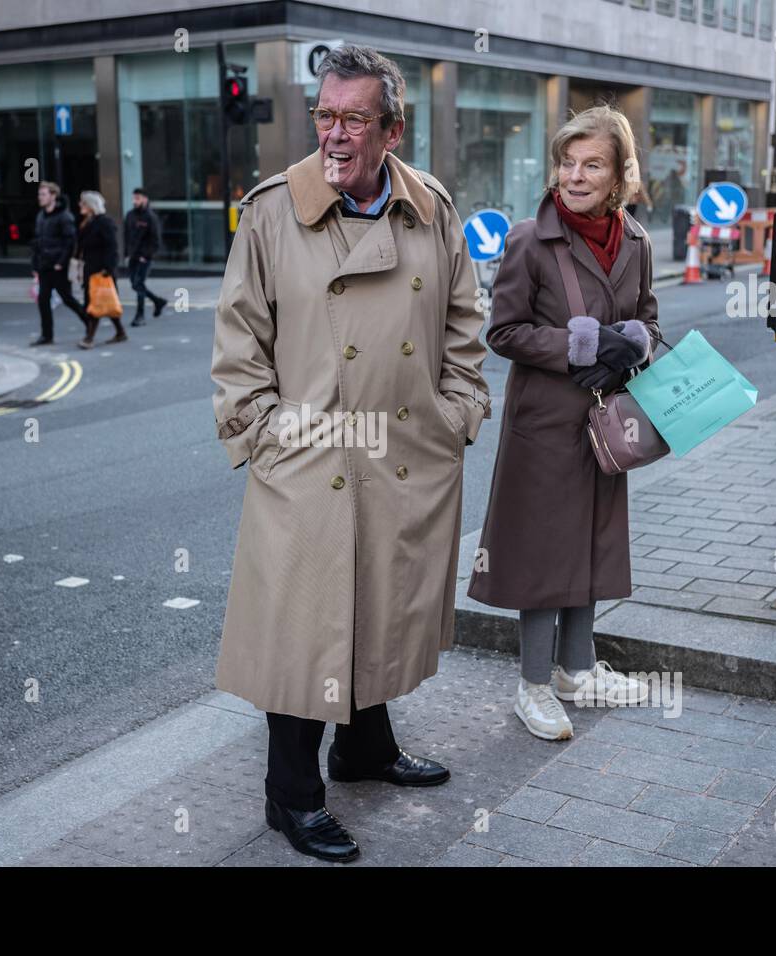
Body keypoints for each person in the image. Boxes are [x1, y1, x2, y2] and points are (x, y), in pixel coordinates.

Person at [210, 44, 490, 863]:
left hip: (405, 450)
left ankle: (364, 750)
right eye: (323, 116)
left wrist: (457, 414)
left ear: (392, 129)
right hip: (310, 459)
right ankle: (290, 797)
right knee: (301, 630)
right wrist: (267, 439)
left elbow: (463, 327)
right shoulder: (272, 210)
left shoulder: (430, 206)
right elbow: (238, 350)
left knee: (378, 609)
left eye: (353, 119)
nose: (333, 135)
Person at [468, 106, 660, 742]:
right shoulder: (529, 238)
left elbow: (651, 319)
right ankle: (533, 686)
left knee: (593, 540)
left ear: (618, 176)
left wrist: (636, 339)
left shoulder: (637, 241)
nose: (575, 176)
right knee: (544, 550)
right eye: (567, 162)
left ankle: (579, 671)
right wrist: (579, 344)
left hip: (605, 424)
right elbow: (503, 332)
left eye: (592, 164)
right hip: (544, 425)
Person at [29, 182, 88, 346]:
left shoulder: (64, 217)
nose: (40, 197)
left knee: (67, 298)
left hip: (58, 266)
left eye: (43, 194)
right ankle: (47, 335)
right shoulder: (40, 216)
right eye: (40, 194)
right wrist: (35, 266)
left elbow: (70, 242)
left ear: (53, 196)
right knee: (43, 300)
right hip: (44, 265)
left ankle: (89, 322)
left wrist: (61, 263)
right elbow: (37, 242)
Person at [75, 190, 125, 347]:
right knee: (105, 303)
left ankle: (89, 338)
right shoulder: (88, 222)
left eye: (83, 203)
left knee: (95, 304)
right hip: (90, 268)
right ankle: (120, 332)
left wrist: (108, 269)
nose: (80, 205)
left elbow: (112, 248)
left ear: (91, 206)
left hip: (102, 270)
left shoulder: (104, 223)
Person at [122, 187, 167, 325]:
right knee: (135, 284)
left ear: (145, 199)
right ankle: (158, 301)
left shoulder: (150, 217)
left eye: (138, 198)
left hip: (144, 258)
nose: (135, 201)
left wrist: (146, 256)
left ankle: (140, 316)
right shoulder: (130, 215)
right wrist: (126, 254)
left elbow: (156, 241)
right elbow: (126, 236)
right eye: (134, 198)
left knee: (138, 284)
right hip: (133, 257)